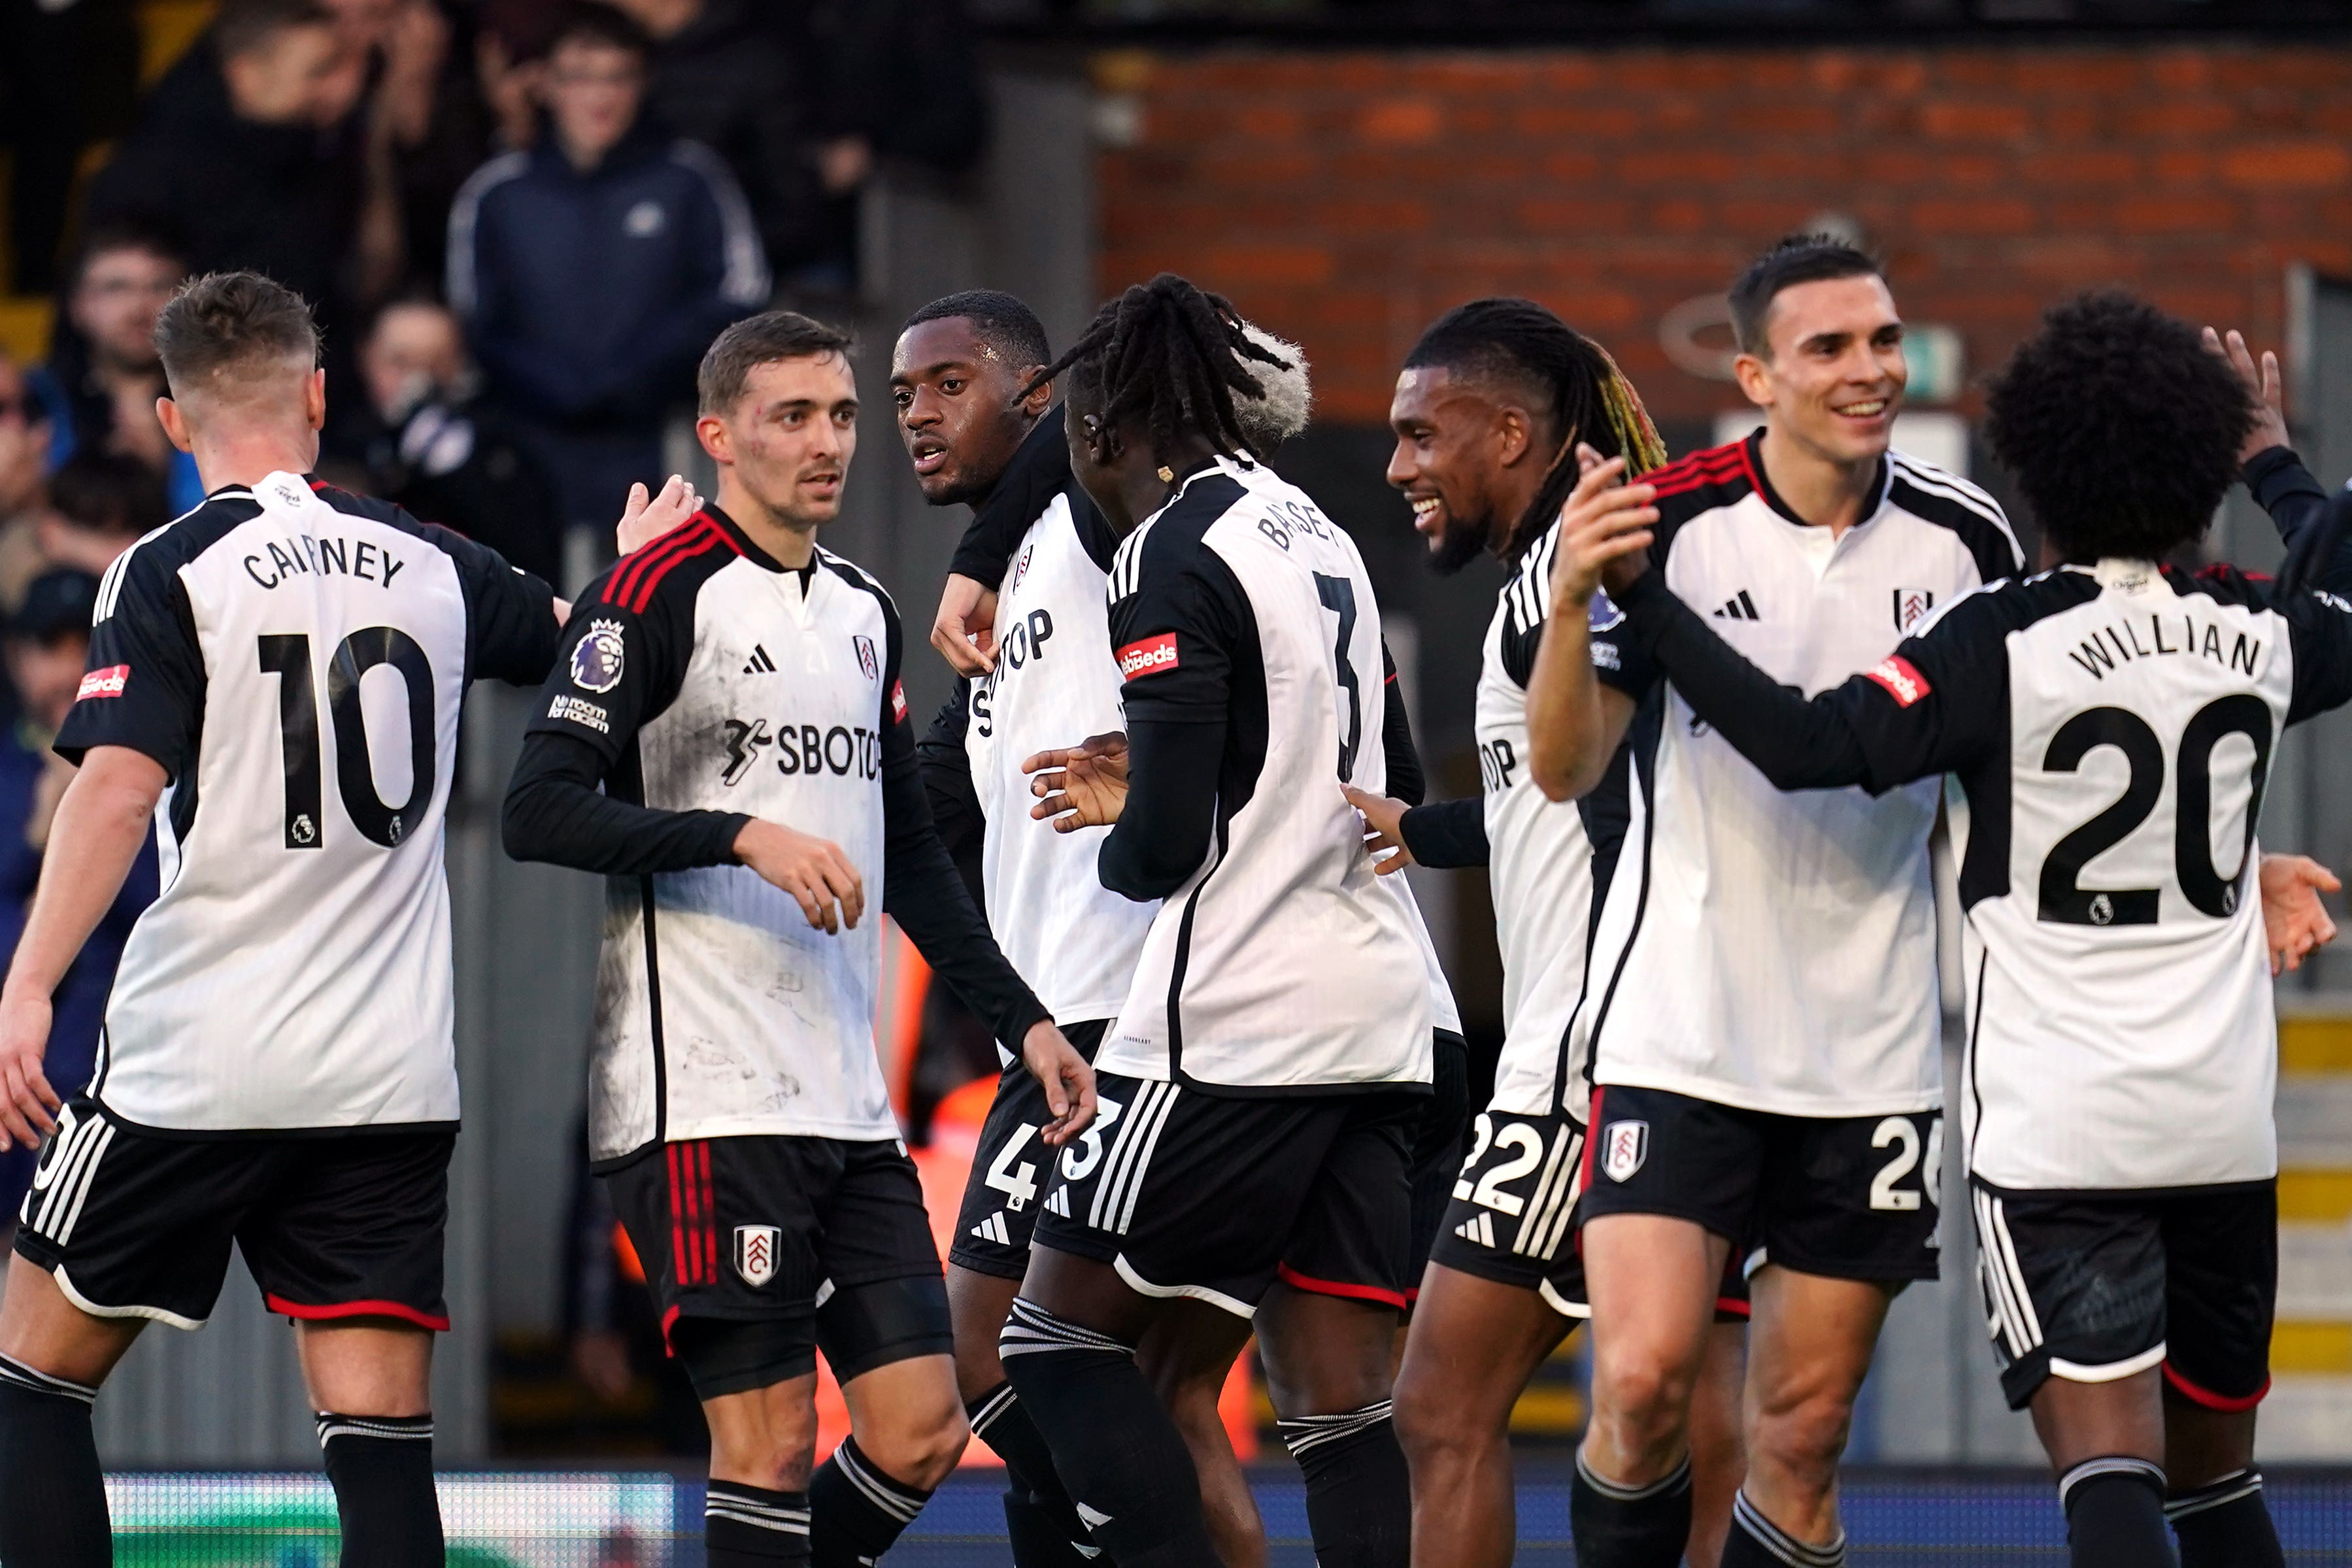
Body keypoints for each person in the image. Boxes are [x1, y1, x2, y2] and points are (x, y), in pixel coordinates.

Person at [1559, 290, 2352, 1568]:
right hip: (2221, 1126)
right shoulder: (2256, 627)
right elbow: (2339, 577)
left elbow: (1809, 742)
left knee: (2107, 1476)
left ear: (2033, 466)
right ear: (2200, 464)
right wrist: (2271, 454)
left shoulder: (1999, 640)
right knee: (2216, 1489)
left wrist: (1649, 607)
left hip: (2063, 1134)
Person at [0, 269, 695, 1568]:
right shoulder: (430, 558)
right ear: (320, 395)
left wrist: (28, 985)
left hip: (194, 1056)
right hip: (384, 1070)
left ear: (169, 418)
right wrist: (640, 579)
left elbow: (114, 784)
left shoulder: (169, 568)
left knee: (31, 1376)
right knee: (376, 1438)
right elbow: (589, 650)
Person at [501, 309, 1096, 1568]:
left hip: (841, 1102)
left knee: (922, 1427)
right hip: (704, 1095)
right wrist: (739, 834)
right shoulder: (652, 592)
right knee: (765, 1444)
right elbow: (535, 807)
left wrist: (1021, 1015)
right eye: (792, 417)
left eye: (839, 415)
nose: (828, 443)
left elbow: (913, 857)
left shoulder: (867, 609)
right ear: (719, 435)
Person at [1517, 236, 2022, 1568]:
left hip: (1867, 1052)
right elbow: (1564, 765)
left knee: (1796, 1436)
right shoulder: (1665, 519)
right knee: (1635, 1384)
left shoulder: (1966, 539)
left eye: (1880, 341)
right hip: (1678, 1031)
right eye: (1827, 348)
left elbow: (2015, 761)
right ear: (1754, 374)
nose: (1867, 371)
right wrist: (1571, 602)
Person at [894, 291, 1352, 1568]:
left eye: (949, 383)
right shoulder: (1009, 608)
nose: (918, 416)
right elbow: (923, 804)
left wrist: (980, 546)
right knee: (1131, 1395)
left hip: (1125, 1002)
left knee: (1005, 1351)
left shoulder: (1093, 508)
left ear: (1048, 401)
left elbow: (1127, 353)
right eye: (902, 397)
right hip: (1053, 1020)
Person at [1002, 274, 1432, 1568]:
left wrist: (1121, 834)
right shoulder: (1325, 531)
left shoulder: (1163, 545)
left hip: (1234, 1020)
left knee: (1055, 1342)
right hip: (1380, 1004)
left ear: (1105, 429)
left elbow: (1168, 845)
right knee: (1336, 1400)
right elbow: (1378, 769)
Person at [1340, 299, 1749, 1568]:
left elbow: (1611, 794)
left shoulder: (1577, 578)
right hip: (1676, 1058)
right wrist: (1433, 826)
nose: (1397, 463)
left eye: (1421, 434)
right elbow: (1561, 796)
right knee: (1706, 1419)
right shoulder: (1566, 570)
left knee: (1443, 1401)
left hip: (1588, 1066)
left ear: (1508, 431)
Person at [448, 0, 769, 552]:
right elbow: (478, 320)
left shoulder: (690, 180)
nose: (600, 96)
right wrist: (554, 387)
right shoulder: (499, 192)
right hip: (528, 447)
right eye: (580, 77)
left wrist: (632, 377)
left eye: (617, 77)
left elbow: (737, 299)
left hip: (661, 436)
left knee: (650, 607)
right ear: (545, 84)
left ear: (643, 83)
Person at [0, 571, 158, 1243]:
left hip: (115, 1118)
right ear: (16, 655)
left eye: (82, 647)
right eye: (49, 647)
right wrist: (41, 831)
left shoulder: (155, 775)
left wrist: (92, 816)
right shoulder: (7, 768)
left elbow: (160, 904)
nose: (68, 670)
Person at [80, 0, 367, 336]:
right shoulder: (151, 178)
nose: (341, 88)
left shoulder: (321, 160)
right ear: (246, 74)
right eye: (319, 71)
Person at [359, 296, 566, 584]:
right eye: (400, 362)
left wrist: (456, 473)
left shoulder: (498, 450)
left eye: (436, 363)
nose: (418, 381)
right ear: (368, 358)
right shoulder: (331, 439)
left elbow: (525, 560)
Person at [30, 225, 202, 517]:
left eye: (160, 286)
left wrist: (163, 473)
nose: (139, 307)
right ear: (77, 305)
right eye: (117, 288)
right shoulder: (34, 398)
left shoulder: (220, 399)